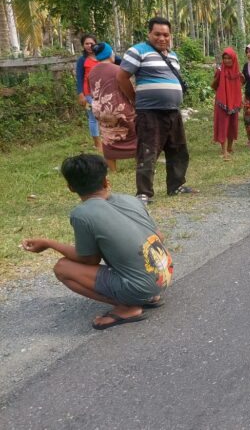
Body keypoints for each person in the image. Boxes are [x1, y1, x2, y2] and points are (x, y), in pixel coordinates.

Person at [22, 154, 173, 330]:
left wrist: (49, 243)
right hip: (164, 274)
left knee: (62, 268)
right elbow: (159, 236)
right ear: (106, 182)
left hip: (141, 287)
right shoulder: (131, 200)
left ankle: (128, 307)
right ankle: (149, 296)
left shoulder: (82, 214)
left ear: (71, 187)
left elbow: (89, 260)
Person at [117, 17, 197, 205]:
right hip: (150, 112)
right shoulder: (137, 51)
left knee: (178, 149)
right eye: (158, 34)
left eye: (166, 35)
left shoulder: (173, 56)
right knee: (148, 151)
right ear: (149, 34)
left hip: (173, 111)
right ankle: (144, 193)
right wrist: (136, 100)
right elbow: (122, 77)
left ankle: (176, 186)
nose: (162, 38)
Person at [88, 43, 137, 172]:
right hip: (118, 109)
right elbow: (128, 87)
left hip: (100, 111)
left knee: (108, 138)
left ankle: (113, 170)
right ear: (111, 54)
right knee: (135, 134)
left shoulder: (92, 72)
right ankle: (140, 164)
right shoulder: (117, 70)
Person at [211, 47, 243, 161]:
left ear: (234, 59)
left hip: (234, 101)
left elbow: (241, 84)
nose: (227, 60)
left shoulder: (237, 72)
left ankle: (229, 148)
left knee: (232, 125)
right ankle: (224, 151)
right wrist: (219, 77)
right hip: (222, 101)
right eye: (225, 58)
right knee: (223, 125)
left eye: (229, 58)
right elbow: (213, 85)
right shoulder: (220, 70)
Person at [75, 34, 102, 153]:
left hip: (104, 94)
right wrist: (80, 94)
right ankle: (97, 144)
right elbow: (80, 78)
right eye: (86, 43)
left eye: (92, 43)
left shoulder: (103, 56)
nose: (89, 45)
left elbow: (118, 61)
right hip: (88, 95)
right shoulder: (82, 60)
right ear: (83, 45)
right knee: (93, 118)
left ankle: (109, 140)